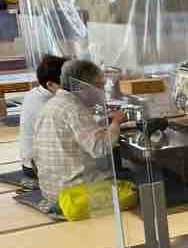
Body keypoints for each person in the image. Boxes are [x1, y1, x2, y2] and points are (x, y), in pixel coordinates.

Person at [33, 59, 125, 206]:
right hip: (76, 195)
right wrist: (116, 122)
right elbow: (100, 148)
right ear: (83, 87)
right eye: (100, 86)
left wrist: (104, 125)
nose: (102, 91)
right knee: (137, 180)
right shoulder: (74, 109)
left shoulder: (51, 104)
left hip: (50, 190)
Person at [19, 54, 66, 179]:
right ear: (50, 84)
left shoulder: (36, 92)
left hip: (39, 161)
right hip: (37, 168)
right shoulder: (44, 104)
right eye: (65, 83)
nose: (69, 87)